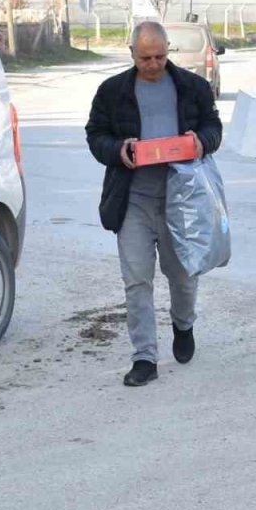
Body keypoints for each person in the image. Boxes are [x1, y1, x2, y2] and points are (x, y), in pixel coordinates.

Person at [85, 21, 223, 387]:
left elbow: (214, 127)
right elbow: (95, 135)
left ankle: (183, 324)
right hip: (132, 199)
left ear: (168, 51)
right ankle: (144, 356)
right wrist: (119, 150)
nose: (153, 64)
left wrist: (200, 143)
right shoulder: (112, 92)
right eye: (145, 57)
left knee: (182, 275)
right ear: (132, 54)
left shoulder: (192, 87)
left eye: (160, 56)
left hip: (182, 200)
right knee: (136, 280)